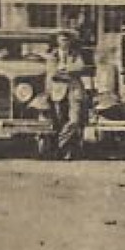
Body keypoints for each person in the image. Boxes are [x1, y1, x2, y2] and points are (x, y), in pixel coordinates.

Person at [45, 29, 89, 159]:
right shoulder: (53, 55)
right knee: (59, 122)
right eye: (62, 39)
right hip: (57, 92)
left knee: (74, 121)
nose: (64, 42)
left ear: (70, 42)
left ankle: (59, 145)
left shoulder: (76, 55)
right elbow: (53, 73)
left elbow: (80, 68)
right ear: (57, 41)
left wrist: (64, 70)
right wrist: (69, 72)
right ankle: (66, 151)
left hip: (74, 91)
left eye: (67, 40)